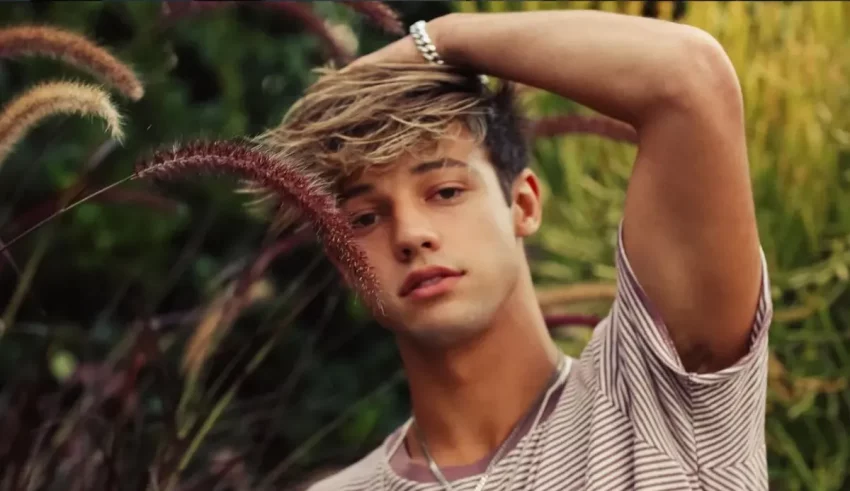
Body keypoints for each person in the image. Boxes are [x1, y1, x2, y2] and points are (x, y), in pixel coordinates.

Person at [262, 8, 773, 491]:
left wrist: (440, 39)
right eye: (366, 218)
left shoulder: (661, 402)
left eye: (445, 192)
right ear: (343, 263)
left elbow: (689, 77)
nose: (411, 235)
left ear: (523, 204)